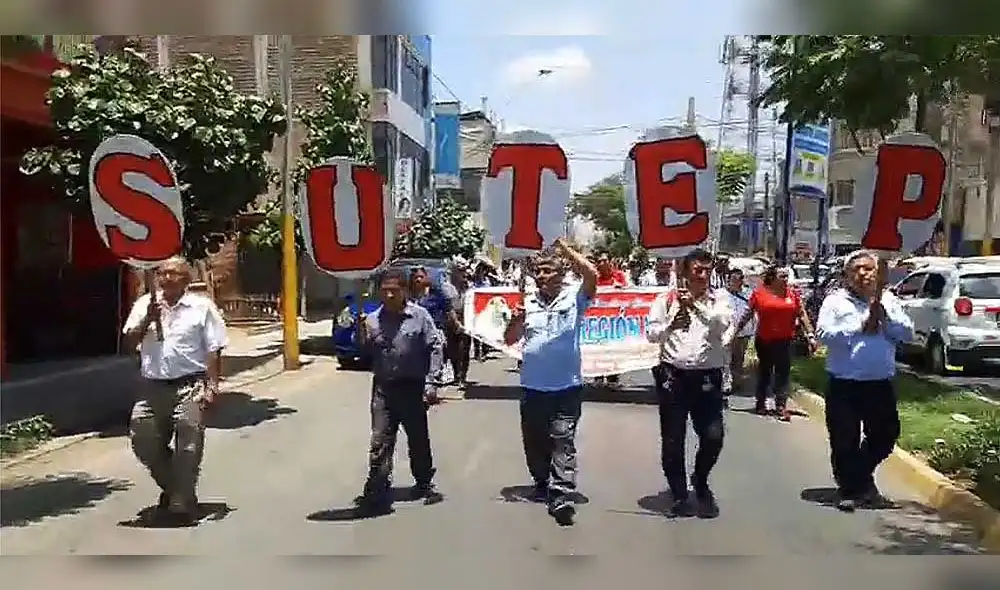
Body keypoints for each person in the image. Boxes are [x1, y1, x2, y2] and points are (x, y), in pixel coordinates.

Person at [122, 256, 228, 522]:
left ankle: (180, 501)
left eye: (174, 274)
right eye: (163, 273)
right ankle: (177, 489)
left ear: (187, 279)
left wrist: (212, 385)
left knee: (188, 444)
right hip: (152, 387)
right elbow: (127, 344)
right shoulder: (145, 305)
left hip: (190, 385)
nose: (167, 278)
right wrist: (147, 319)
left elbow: (214, 348)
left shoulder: (201, 307)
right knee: (142, 439)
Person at [503, 238, 598, 525]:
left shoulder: (575, 297)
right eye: (539, 271)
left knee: (562, 440)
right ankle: (542, 481)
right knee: (535, 443)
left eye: (548, 271)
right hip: (533, 386)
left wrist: (565, 247)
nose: (542, 276)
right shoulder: (527, 303)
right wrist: (515, 321)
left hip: (567, 386)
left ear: (562, 273)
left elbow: (591, 274)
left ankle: (563, 497)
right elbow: (509, 339)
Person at [816, 251, 913, 512]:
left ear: (877, 273)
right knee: (844, 440)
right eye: (856, 269)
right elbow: (823, 334)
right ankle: (852, 490)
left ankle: (858, 477)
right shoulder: (835, 301)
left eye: (868, 269)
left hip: (879, 383)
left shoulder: (889, 300)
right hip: (845, 383)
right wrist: (860, 325)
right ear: (847, 275)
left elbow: (907, 333)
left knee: (885, 436)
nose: (862, 274)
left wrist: (884, 318)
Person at [646, 248, 730, 518]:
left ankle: (700, 477)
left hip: (708, 377)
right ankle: (679, 493)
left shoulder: (720, 299)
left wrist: (696, 306)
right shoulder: (666, 299)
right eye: (697, 270)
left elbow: (721, 327)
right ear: (684, 271)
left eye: (707, 270)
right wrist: (672, 322)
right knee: (673, 440)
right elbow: (652, 334)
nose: (702, 275)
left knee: (713, 436)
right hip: (674, 376)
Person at [354, 267, 445, 515]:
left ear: (404, 290)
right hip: (384, 388)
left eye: (394, 290)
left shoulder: (420, 316)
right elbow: (362, 351)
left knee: (417, 438)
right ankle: (377, 488)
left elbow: (435, 347)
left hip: (413, 387)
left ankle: (424, 480)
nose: (390, 296)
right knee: (381, 439)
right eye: (385, 291)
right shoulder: (372, 320)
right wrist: (360, 333)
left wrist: (432, 383)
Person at [727, 265, 818, 420]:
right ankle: (761, 402)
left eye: (786, 276)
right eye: (781, 276)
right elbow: (747, 314)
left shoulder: (793, 295)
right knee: (765, 371)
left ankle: (781, 406)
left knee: (783, 372)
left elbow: (802, 315)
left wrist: (810, 335)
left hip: (785, 340)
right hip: (765, 340)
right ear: (773, 278)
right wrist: (734, 333)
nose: (785, 279)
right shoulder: (760, 294)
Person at [410, 266, 460, 390]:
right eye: (416, 277)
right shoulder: (409, 295)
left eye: (421, 277)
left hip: (435, 330)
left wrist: (456, 324)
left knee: (435, 357)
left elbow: (449, 310)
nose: (418, 280)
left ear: (427, 277)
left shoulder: (436, 293)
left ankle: (432, 383)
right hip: (415, 332)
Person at [722, 268, 755, 403]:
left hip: (743, 332)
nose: (736, 282)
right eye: (734, 279)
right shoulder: (720, 295)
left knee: (738, 358)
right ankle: (725, 384)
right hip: (725, 332)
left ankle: (736, 381)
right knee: (725, 358)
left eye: (739, 279)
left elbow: (752, 312)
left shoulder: (748, 294)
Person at [594, 253, 627, 387]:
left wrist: (620, 288)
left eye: (604, 260)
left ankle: (613, 378)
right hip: (599, 319)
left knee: (613, 348)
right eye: (600, 261)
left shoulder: (619, 276)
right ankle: (598, 377)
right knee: (598, 347)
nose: (602, 263)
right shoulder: (595, 278)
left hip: (614, 319)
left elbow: (627, 291)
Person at [447, 263, 473, 388]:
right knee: (452, 351)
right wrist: (455, 321)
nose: (463, 274)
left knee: (464, 350)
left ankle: (462, 376)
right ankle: (456, 374)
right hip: (451, 321)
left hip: (466, 320)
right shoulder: (447, 288)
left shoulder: (469, 288)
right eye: (460, 271)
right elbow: (448, 307)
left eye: (464, 272)